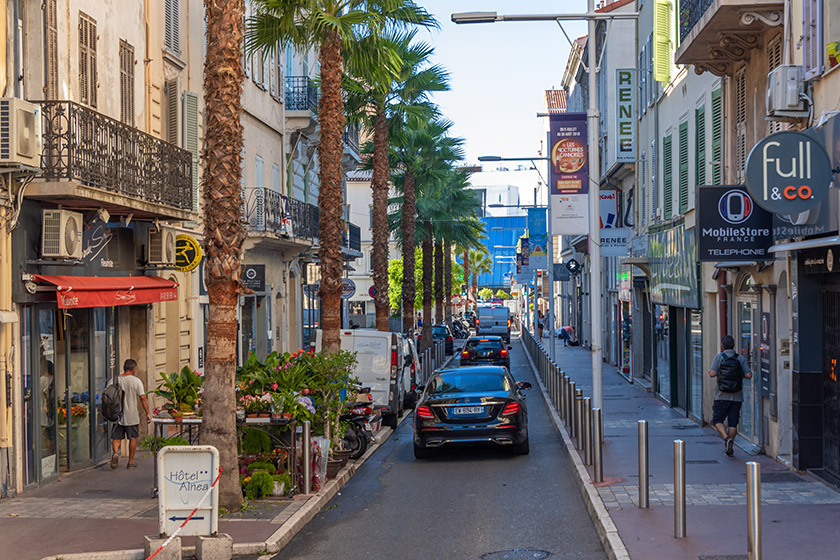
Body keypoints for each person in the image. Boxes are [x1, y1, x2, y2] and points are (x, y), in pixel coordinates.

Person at [708, 335, 752, 457]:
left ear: (723, 346)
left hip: (721, 395)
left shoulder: (719, 357)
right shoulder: (740, 358)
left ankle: (726, 439)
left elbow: (712, 373)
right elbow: (749, 375)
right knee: (733, 423)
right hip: (737, 396)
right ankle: (730, 443)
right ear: (734, 345)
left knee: (717, 420)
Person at [110, 358, 151, 469]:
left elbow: (107, 397)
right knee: (132, 438)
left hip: (117, 415)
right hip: (132, 415)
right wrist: (148, 413)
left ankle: (115, 453)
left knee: (116, 437)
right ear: (133, 369)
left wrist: (106, 412)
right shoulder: (136, 381)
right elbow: (143, 398)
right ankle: (131, 462)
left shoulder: (114, 380)